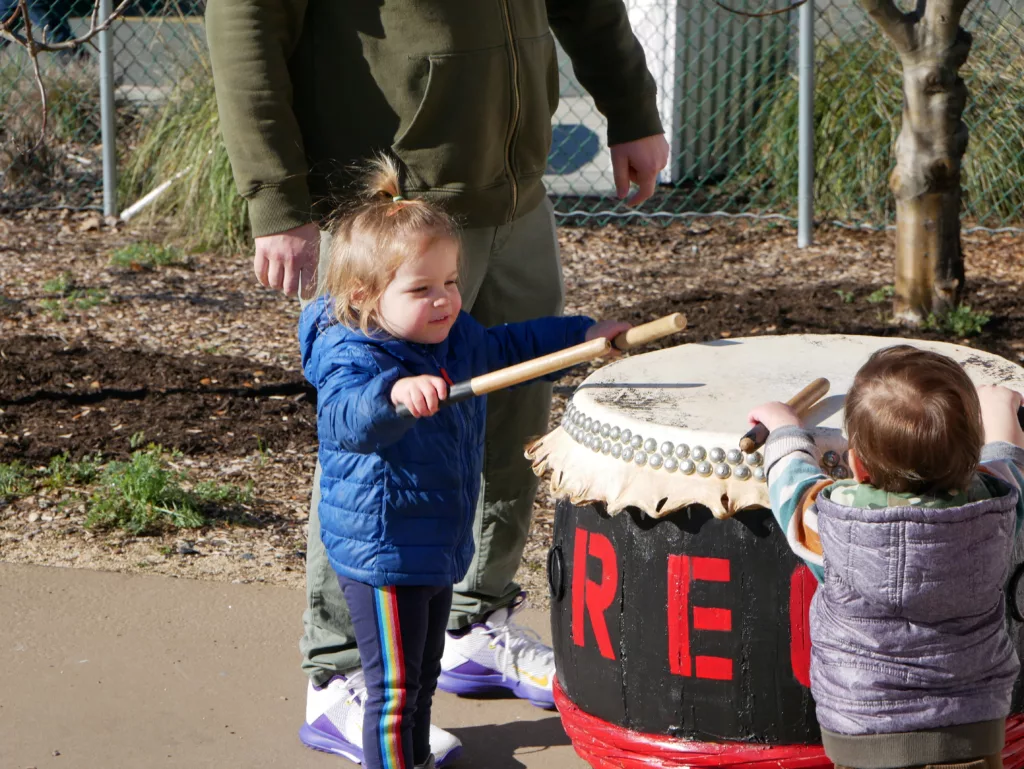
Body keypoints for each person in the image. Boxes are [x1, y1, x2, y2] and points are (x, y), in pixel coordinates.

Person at [205, 0, 669, 761]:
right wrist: (274, 194)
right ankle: (340, 673)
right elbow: (244, 19)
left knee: (517, 413)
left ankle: (468, 621)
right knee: (377, 438)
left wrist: (630, 106)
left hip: (513, 190)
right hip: (385, 207)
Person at [298, 156, 630, 769]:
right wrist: (392, 397)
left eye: (450, 281)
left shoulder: (450, 337)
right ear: (363, 297)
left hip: (436, 540)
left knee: (423, 675)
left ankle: (412, 757)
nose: (446, 300)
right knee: (394, 691)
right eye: (422, 290)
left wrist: (584, 336)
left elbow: (509, 346)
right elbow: (344, 417)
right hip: (382, 550)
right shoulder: (355, 353)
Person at [749, 345, 1024, 769]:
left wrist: (785, 428)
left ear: (857, 467)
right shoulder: (997, 506)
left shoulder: (835, 521)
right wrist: (1001, 407)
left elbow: (792, 486)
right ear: (973, 458)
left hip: (863, 740)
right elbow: (1007, 457)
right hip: (973, 730)